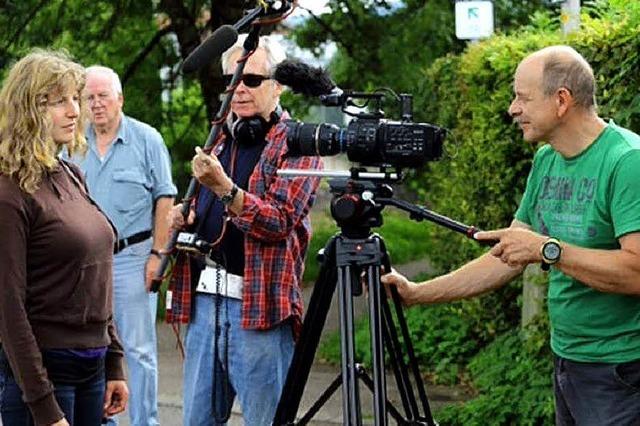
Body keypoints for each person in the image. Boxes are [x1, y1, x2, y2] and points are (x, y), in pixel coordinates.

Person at [382, 45, 640, 425]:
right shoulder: (547, 159)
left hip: (622, 370)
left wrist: (548, 250)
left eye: (522, 97)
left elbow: (636, 271)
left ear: (562, 100)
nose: (511, 109)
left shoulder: (627, 161)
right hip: (568, 360)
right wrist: (418, 293)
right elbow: (510, 255)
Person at [167, 34, 322, 425]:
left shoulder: (300, 145)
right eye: (231, 81)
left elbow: (278, 221)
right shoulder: (220, 139)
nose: (238, 90)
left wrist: (222, 188)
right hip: (205, 303)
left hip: (261, 308)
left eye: (251, 80)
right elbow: (208, 212)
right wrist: (186, 217)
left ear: (279, 83)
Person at [0, 50, 128, 426]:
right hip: (45, 374)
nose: (75, 111)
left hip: (93, 367)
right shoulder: (9, 193)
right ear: (28, 110)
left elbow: (96, 276)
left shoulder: (70, 174)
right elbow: (7, 309)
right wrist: (42, 404)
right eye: (59, 102)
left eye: (76, 98)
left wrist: (114, 362)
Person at [68, 65, 177, 426]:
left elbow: (165, 199)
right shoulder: (73, 144)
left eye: (103, 96)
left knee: (138, 351)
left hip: (133, 258)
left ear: (120, 99)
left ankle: (145, 422)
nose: (96, 104)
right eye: (89, 97)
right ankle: (105, 421)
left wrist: (158, 256)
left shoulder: (147, 139)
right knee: (92, 348)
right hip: (84, 266)